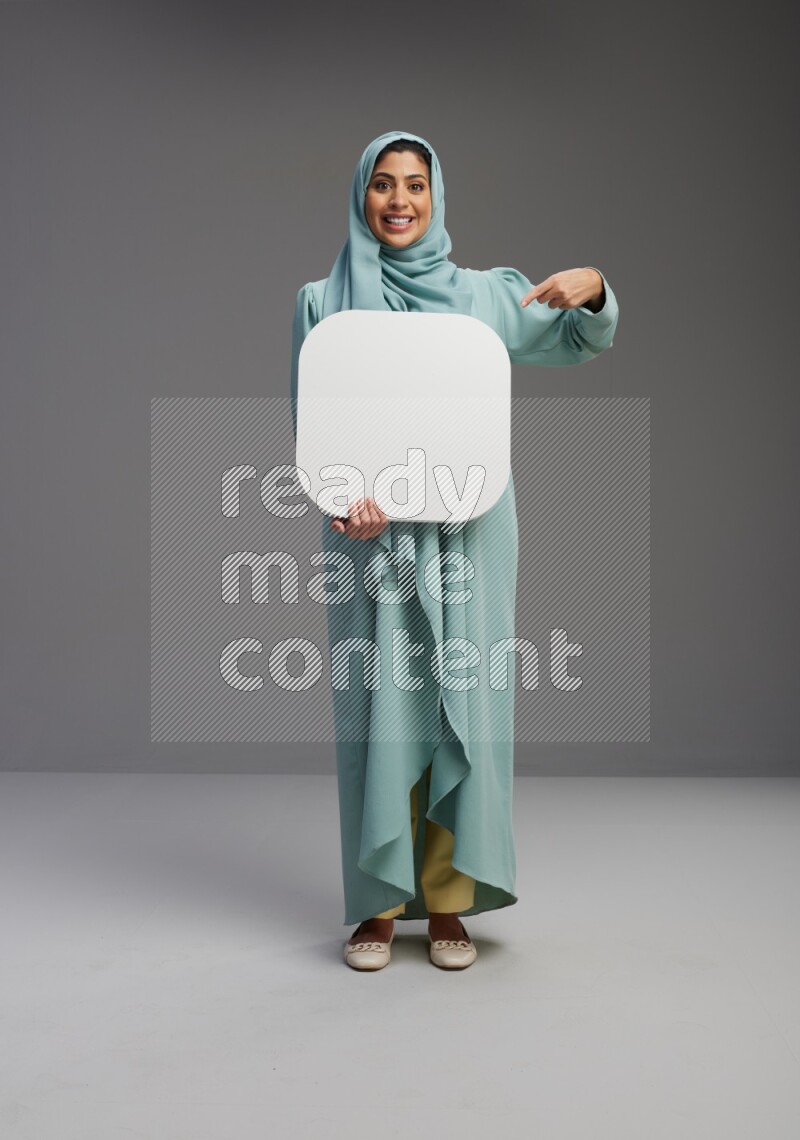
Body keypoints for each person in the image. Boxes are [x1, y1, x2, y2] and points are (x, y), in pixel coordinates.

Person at [290, 130, 619, 971]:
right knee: (378, 713)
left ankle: (447, 904)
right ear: (361, 196)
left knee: (461, 708)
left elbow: (581, 340)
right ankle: (375, 904)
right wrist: (339, 501)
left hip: (471, 530)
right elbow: (316, 431)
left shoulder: (482, 297)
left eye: (416, 186)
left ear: (437, 199)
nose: (399, 201)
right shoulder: (321, 305)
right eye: (383, 186)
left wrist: (595, 289)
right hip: (370, 541)